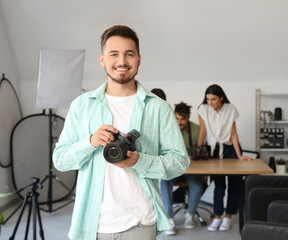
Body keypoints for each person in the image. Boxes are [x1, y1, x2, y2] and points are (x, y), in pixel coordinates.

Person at [53, 25, 190, 240]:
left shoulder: (158, 108)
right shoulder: (82, 105)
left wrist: (140, 161)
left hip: (140, 222)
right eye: (114, 54)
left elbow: (180, 162)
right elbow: (60, 160)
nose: (122, 62)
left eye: (129, 54)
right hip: (92, 224)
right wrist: (90, 142)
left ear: (139, 59)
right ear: (102, 59)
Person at [197, 84, 252, 232]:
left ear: (221, 97)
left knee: (234, 184)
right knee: (219, 186)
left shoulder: (231, 109)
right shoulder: (203, 109)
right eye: (208, 99)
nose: (210, 102)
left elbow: (233, 133)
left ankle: (228, 217)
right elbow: (202, 131)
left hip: (229, 149)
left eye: (213, 99)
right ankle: (217, 217)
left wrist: (239, 154)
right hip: (213, 150)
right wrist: (199, 149)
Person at [160, 102, 204, 235]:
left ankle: (190, 216)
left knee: (197, 186)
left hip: (192, 168)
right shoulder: (168, 128)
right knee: (164, 182)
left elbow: (201, 150)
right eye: (177, 118)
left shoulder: (197, 130)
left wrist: (195, 154)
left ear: (189, 117)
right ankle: (169, 219)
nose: (179, 122)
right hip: (174, 167)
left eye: (182, 119)